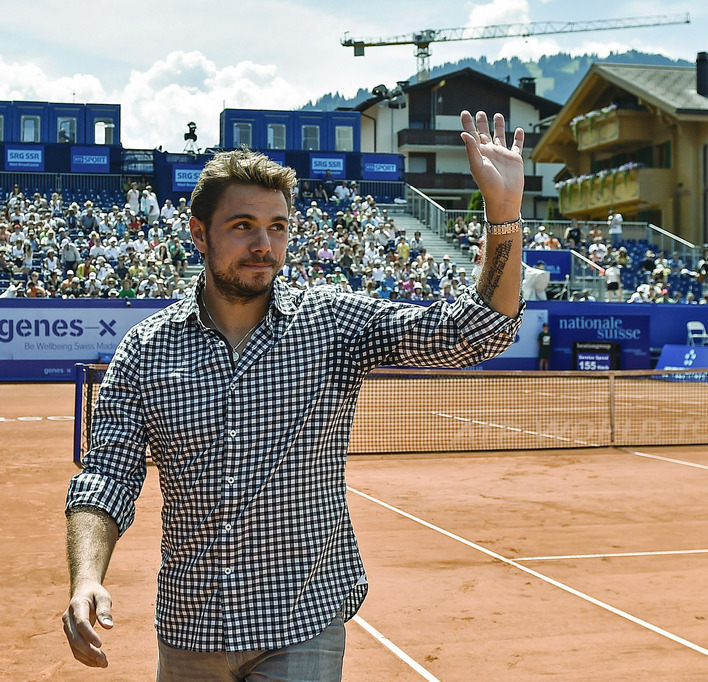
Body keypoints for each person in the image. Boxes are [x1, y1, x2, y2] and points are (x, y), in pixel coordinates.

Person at [62, 111, 526, 677]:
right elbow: (107, 476)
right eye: (243, 226)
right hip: (191, 628)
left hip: (301, 624)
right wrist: (87, 576)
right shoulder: (146, 350)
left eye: (278, 227)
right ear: (198, 232)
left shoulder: (332, 322)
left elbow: (478, 331)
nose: (264, 244)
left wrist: (503, 216)